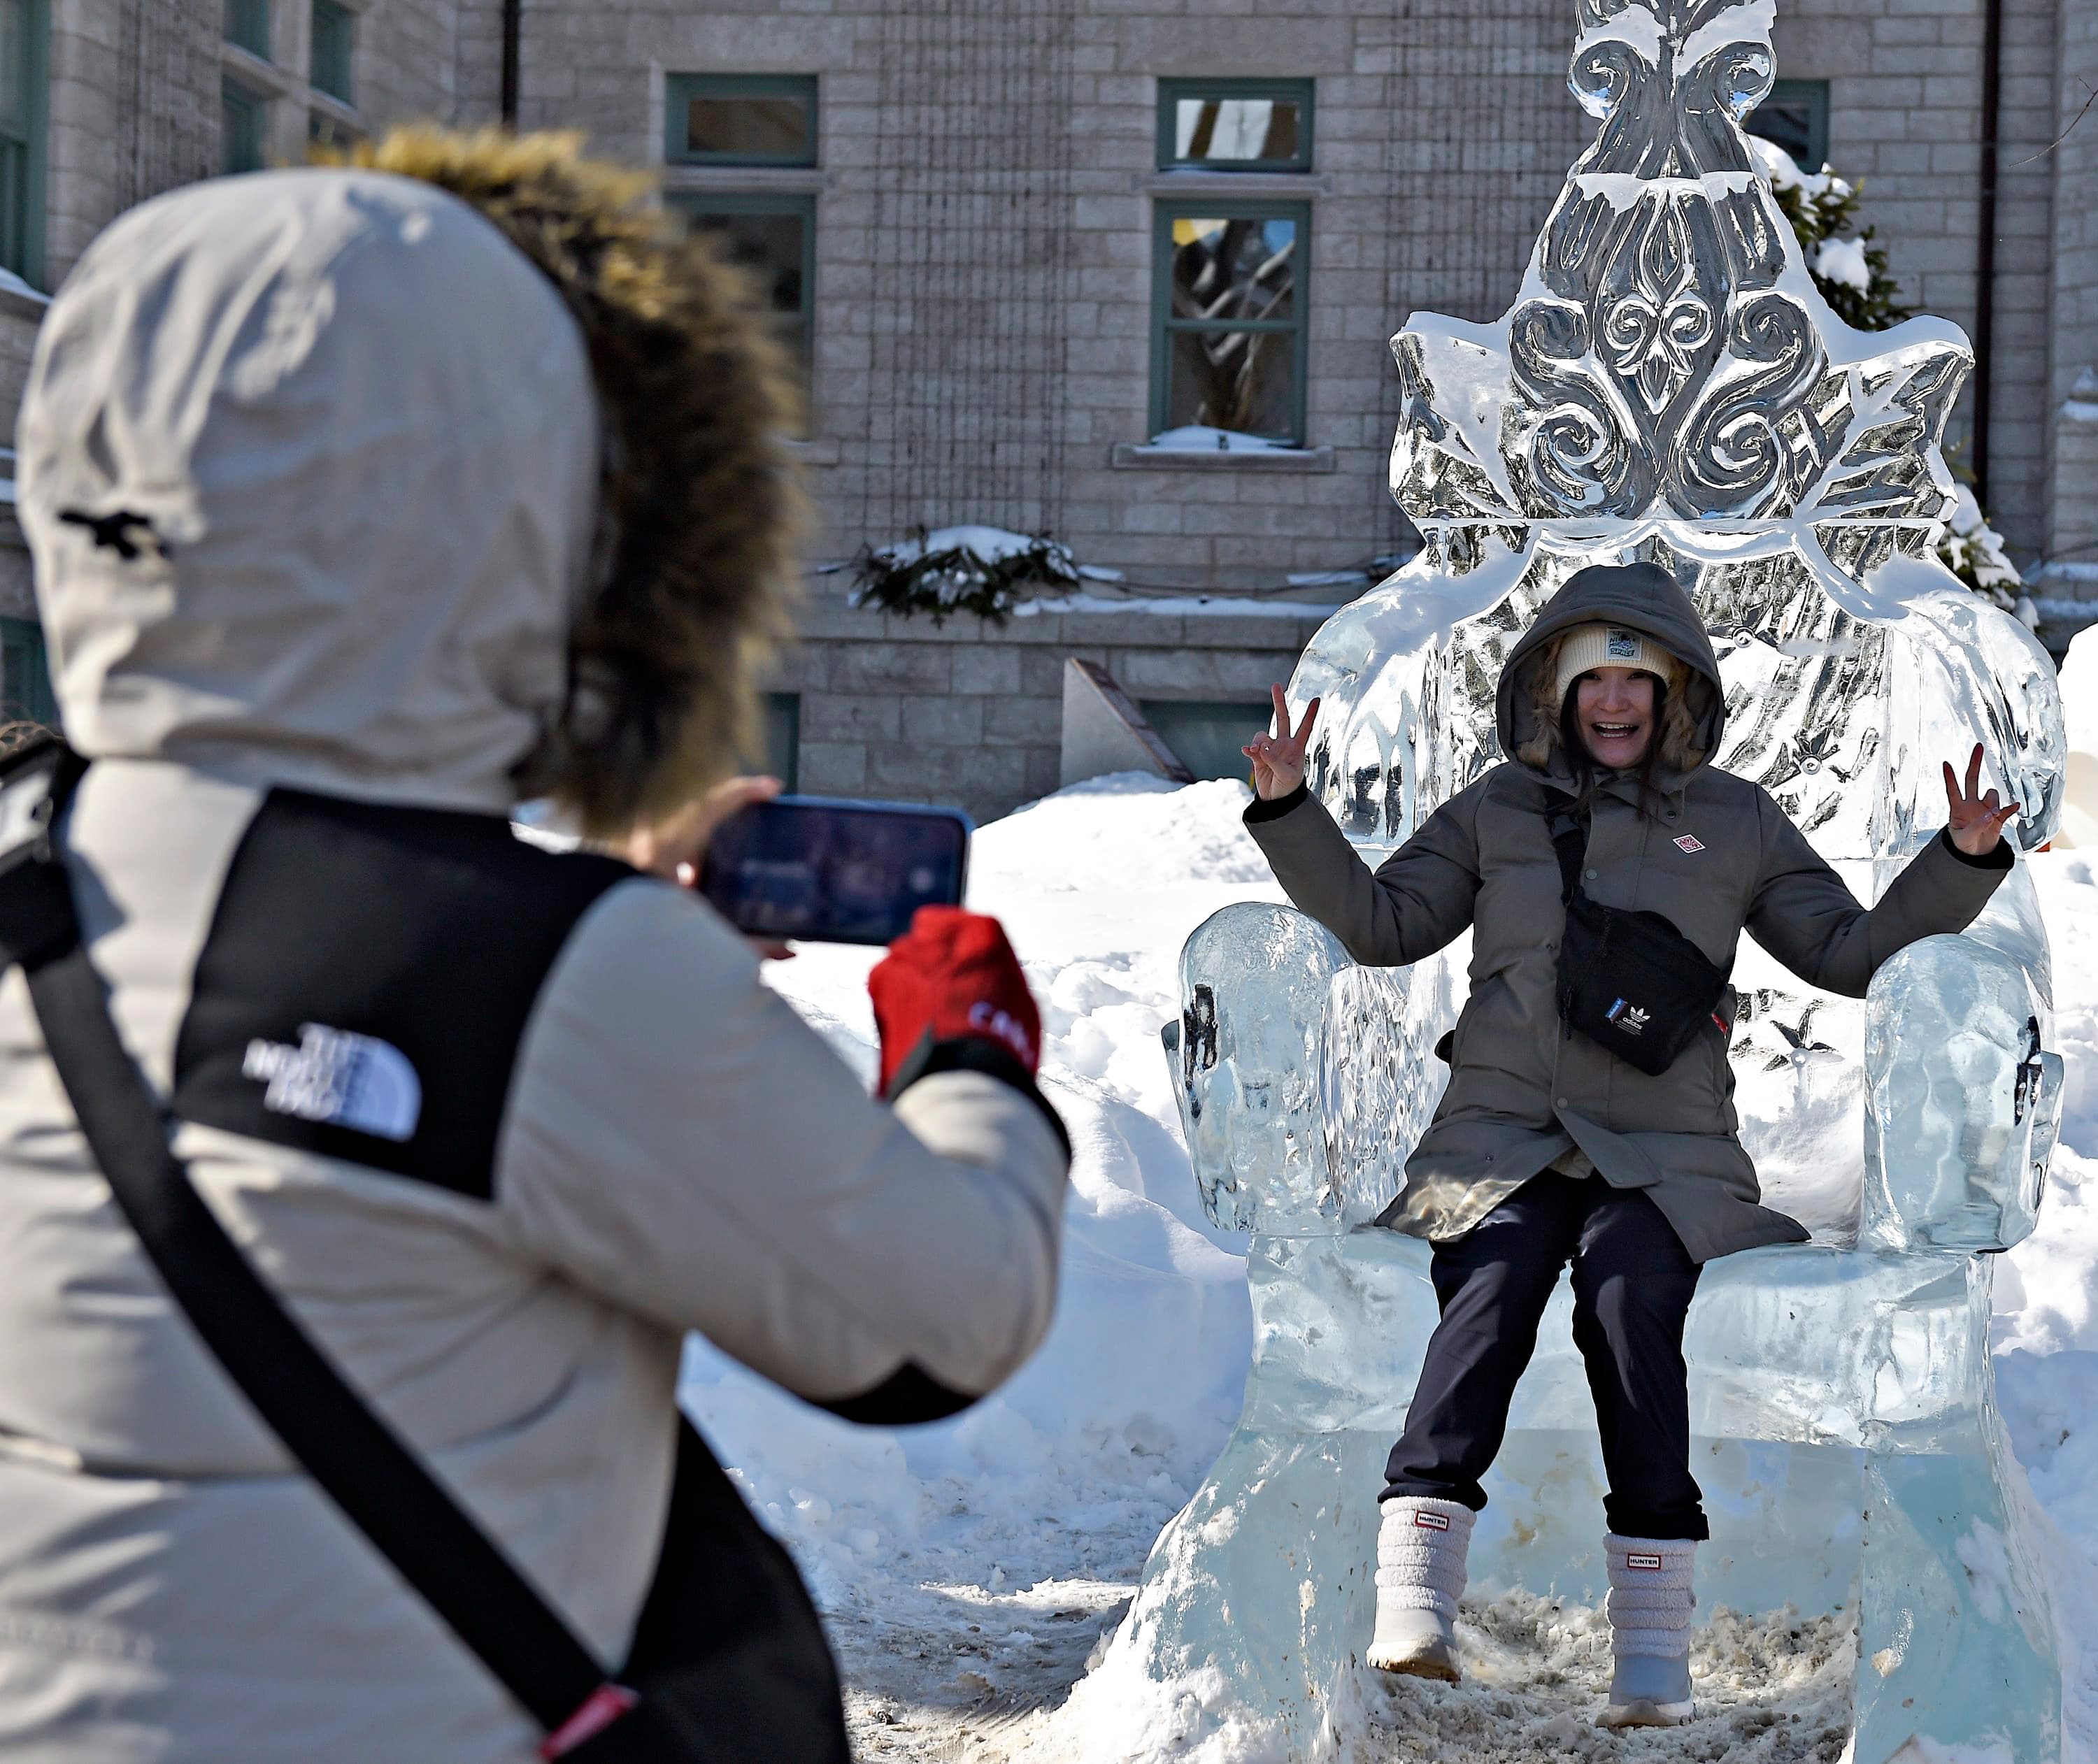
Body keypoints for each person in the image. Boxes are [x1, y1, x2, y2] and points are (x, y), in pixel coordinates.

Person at [0, 131, 1070, 1760]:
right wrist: (966, 1055)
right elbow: (939, 1319)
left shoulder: (28, 868)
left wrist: (583, 897)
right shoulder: (556, 981)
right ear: (514, 505)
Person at [1239, 560, 2018, 1728]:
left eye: (1637, 681)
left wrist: (1957, 860)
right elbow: (1381, 925)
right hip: (1501, 1136)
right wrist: (1290, 809)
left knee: (1627, 1297)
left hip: (1665, 1153)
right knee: (1489, 1286)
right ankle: (1417, 1597)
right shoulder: (1495, 810)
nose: (1614, 702)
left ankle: (1651, 1645)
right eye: (1592, 677)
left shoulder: (1735, 819)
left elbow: (1848, 953)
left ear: (1676, 696)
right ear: (1551, 688)